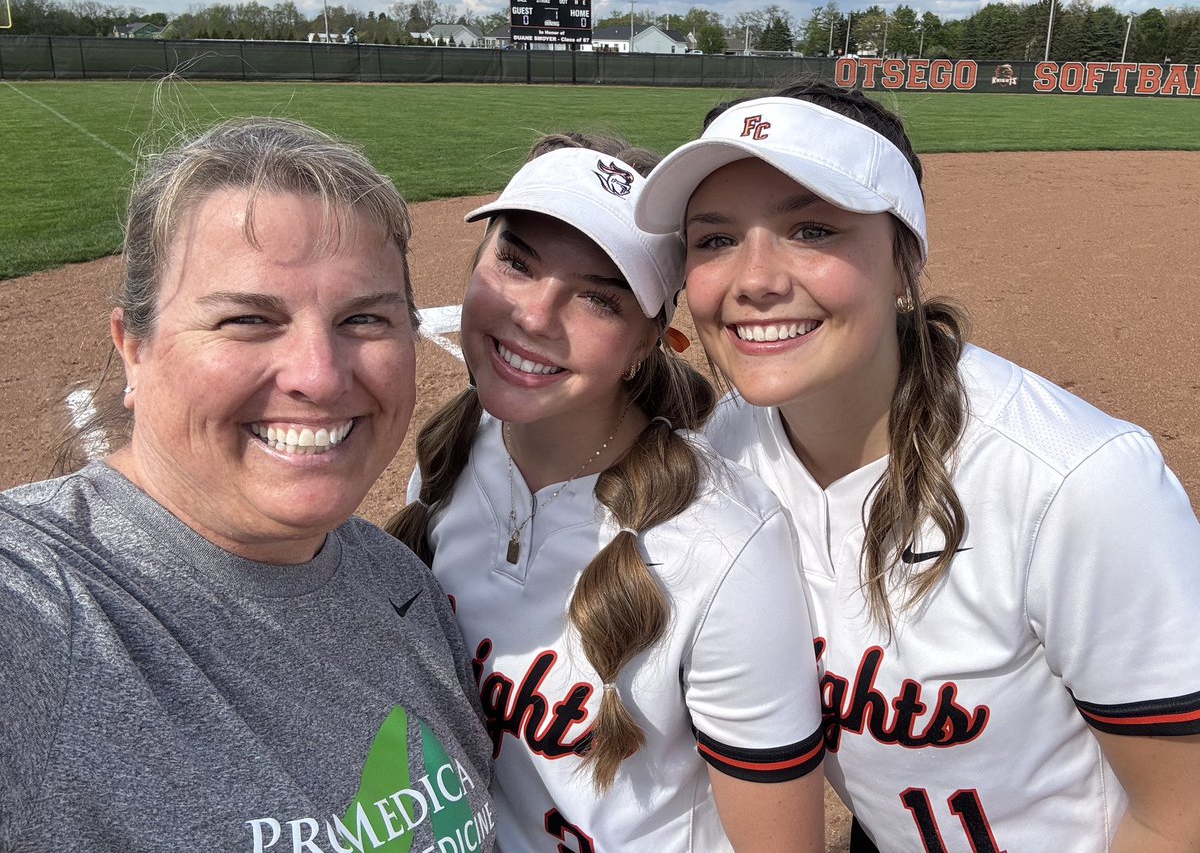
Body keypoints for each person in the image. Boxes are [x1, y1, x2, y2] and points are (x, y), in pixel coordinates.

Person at [634, 81, 1200, 853]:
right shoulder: (723, 454)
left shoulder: (1076, 482)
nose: (755, 279)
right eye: (715, 239)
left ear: (903, 259)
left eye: (812, 228)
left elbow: (1181, 813)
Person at [0, 118, 495, 852]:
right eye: (246, 320)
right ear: (133, 350)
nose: (320, 376)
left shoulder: (399, 582)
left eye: (364, 318)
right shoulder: (47, 605)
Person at [390, 133, 826, 852]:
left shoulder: (721, 544)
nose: (534, 315)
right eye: (516, 261)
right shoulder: (454, 453)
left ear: (646, 341)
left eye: (599, 297)